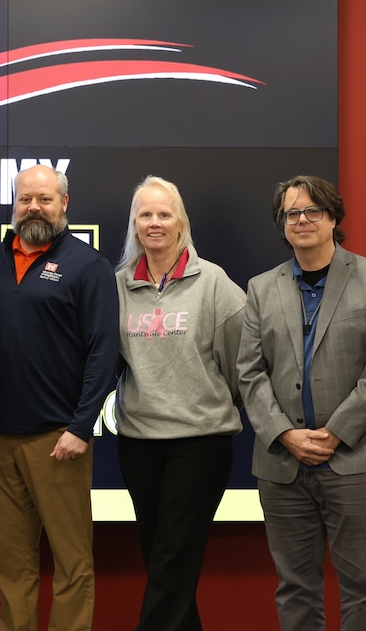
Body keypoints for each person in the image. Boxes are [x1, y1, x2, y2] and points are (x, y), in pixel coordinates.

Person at [239, 175, 366, 631]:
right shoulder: (260, 288)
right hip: (282, 463)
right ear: (282, 224)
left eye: (313, 211)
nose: (302, 220)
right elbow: (249, 372)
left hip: (352, 457)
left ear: (333, 218)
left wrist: (335, 433)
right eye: (292, 213)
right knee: (295, 588)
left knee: (360, 587)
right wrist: (284, 434)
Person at [0, 164, 119, 631]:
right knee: (11, 565)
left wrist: (80, 427)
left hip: (59, 440)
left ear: (63, 204)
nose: (34, 207)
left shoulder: (87, 266)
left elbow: (103, 352)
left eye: (45, 199)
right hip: (0, 438)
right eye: (25, 199)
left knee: (72, 562)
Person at [113, 176, 246, 631]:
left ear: (181, 223)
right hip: (138, 443)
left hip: (200, 443)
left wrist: (210, 403)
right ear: (134, 224)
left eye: (164, 214)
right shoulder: (118, 287)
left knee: (171, 561)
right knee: (163, 561)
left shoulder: (214, 283)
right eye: (145, 214)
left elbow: (242, 363)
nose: (155, 223)